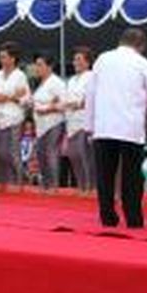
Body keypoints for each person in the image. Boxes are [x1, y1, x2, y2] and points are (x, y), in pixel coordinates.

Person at [86, 29, 147, 228]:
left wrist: (89, 125)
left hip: (104, 126)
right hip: (130, 128)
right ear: (141, 46)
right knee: (131, 177)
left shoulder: (103, 59)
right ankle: (133, 218)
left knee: (105, 175)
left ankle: (107, 216)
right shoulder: (142, 63)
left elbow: (90, 93)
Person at [0, 42, 31, 191]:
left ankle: (18, 183)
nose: (1, 60)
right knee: (0, 153)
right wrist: (10, 96)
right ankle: (4, 182)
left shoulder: (20, 76)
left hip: (14, 118)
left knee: (12, 152)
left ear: (13, 59)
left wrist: (6, 97)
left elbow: (26, 99)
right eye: (0, 57)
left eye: (4, 57)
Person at [31, 54, 66, 192]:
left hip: (54, 122)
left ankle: (54, 185)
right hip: (41, 125)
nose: (37, 68)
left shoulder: (57, 82)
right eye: (36, 65)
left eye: (40, 65)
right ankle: (46, 184)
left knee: (51, 153)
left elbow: (63, 103)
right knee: (41, 153)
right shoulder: (40, 84)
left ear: (49, 66)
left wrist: (47, 108)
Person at [63, 47, 95, 194]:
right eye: (75, 59)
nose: (76, 62)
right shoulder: (71, 80)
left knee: (85, 155)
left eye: (79, 59)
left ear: (88, 62)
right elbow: (65, 99)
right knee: (73, 155)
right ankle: (81, 186)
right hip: (71, 121)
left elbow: (89, 99)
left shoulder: (91, 76)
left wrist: (77, 103)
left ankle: (90, 187)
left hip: (84, 121)